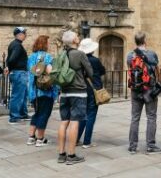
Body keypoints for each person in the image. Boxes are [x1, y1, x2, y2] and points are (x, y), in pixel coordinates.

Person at [55, 30, 93, 165]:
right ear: (74, 41)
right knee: (75, 121)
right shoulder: (80, 54)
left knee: (64, 121)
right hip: (78, 92)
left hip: (64, 92)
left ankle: (61, 154)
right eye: (77, 36)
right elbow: (90, 72)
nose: (78, 37)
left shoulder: (61, 54)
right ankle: (71, 155)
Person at [126, 31, 161, 155]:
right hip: (149, 90)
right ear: (145, 41)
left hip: (135, 89)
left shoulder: (130, 55)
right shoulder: (152, 54)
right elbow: (156, 69)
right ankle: (151, 145)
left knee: (135, 118)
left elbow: (130, 69)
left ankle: (132, 146)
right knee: (151, 117)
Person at [26, 34, 58, 147]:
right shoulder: (47, 57)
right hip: (45, 91)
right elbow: (50, 72)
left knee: (37, 113)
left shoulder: (31, 57)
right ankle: (40, 139)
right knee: (44, 114)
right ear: (45, 45)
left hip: (33, 91)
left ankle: (31, 137)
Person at [76, 38, 106, 149]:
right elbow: (103, 71)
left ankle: (76, 139)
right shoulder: (95, 60)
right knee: (91, 115)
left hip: (82, 88)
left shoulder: (79, 59)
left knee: (82, 115)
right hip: (93, 90)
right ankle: (87, 141)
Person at [7, 27, 30, 123]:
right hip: (19, 73)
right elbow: (11, 59)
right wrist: (11, 68)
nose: (25, 35)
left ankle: (22, 114)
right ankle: (14, 117)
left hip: (19, 73)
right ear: (19, 34)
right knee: (17, 95)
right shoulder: (17, 45)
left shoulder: (16, 44)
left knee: (23, 95)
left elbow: (8, 59)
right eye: (24, 33)